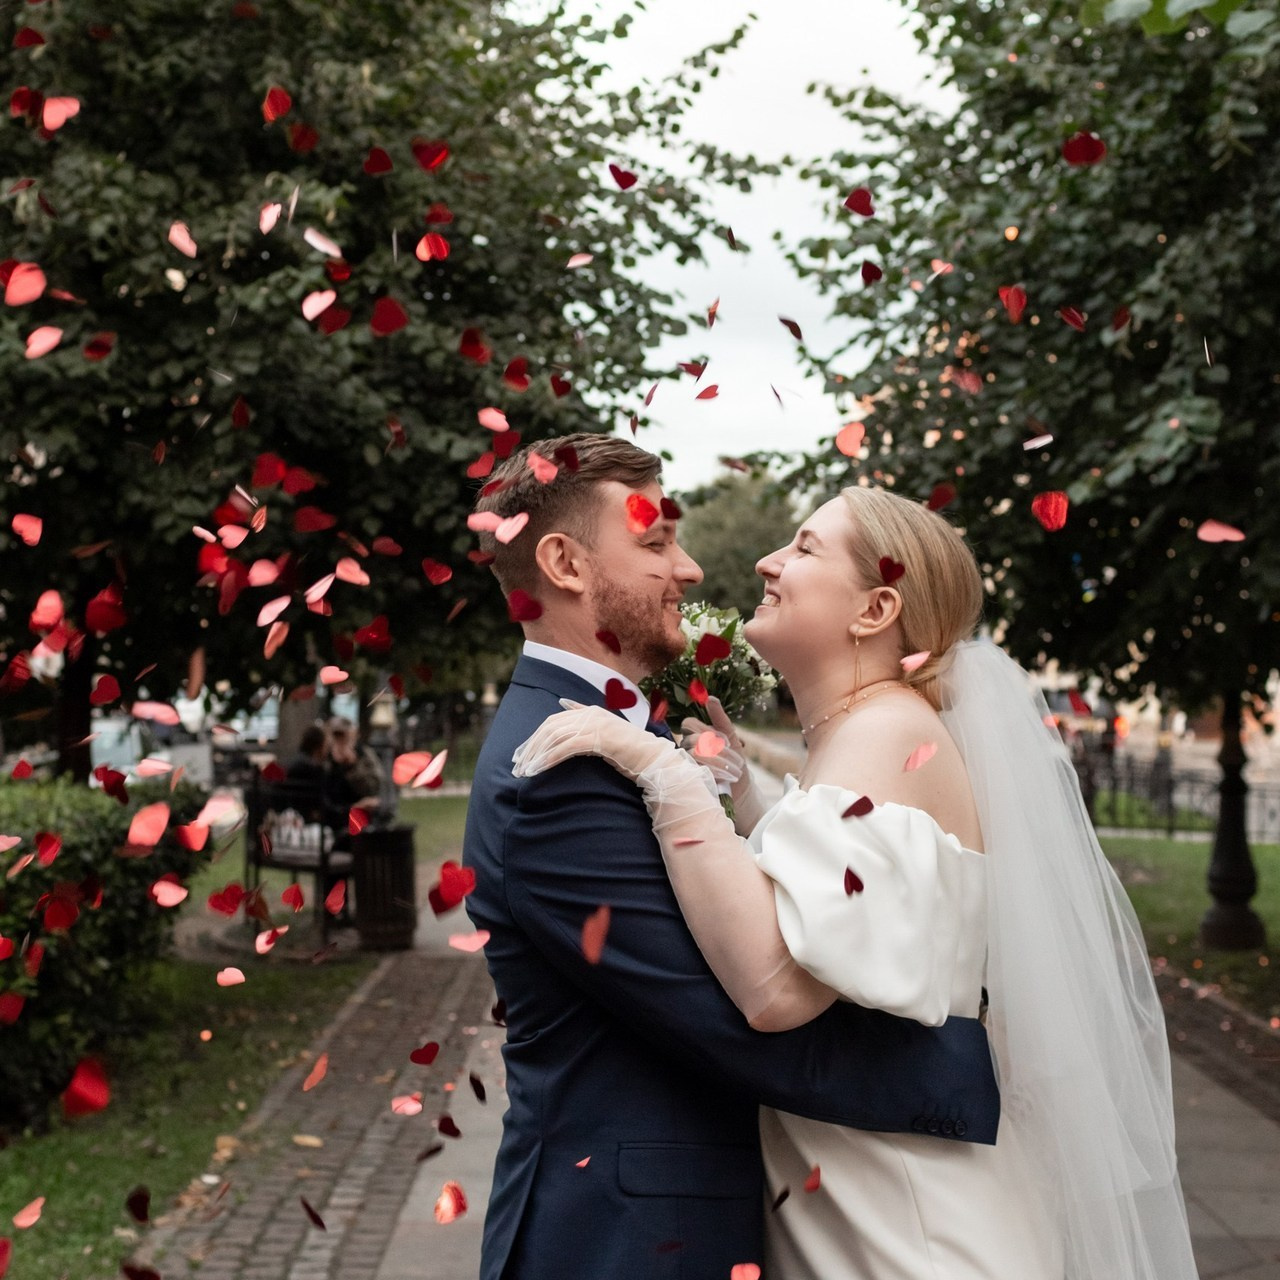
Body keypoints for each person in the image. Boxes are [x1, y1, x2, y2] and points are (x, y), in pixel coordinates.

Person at [518, 484, 1199, 1280]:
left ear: (875, 610)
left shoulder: (886, 732)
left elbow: (776, 986)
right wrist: (743, 791)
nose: (768, 562)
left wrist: (657, 768)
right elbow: (849, 899)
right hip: (872, 1196)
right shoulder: (872, 733)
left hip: (905, 1229)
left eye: (803, 548)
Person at [462, 436, 1001, 1280]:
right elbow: (746, 1014)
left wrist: (697, 784)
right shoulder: (556, 771)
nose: (695, 568)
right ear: (564, 563)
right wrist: (961, 1075)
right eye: (655, 543)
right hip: (621, 1241)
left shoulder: (624, 736)